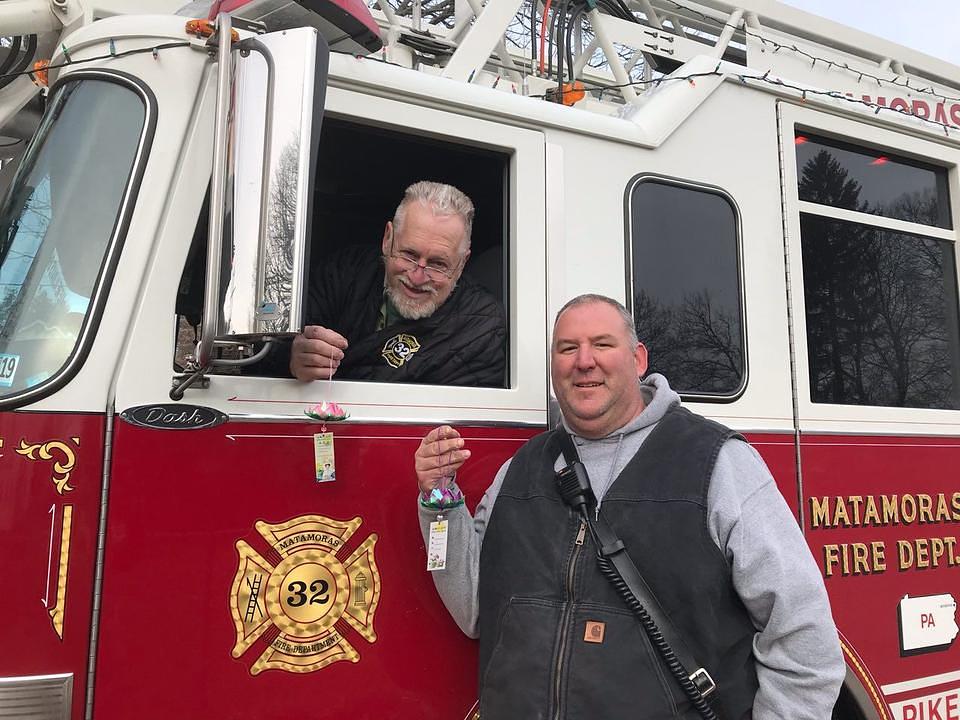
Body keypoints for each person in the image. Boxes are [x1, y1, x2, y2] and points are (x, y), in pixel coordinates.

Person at [413, 294, 845, 719]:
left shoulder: (717, 463)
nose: (584, 361)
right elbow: (473, 608)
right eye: (567, 348)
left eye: (602, 344)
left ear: (638, 359)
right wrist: (439, 501)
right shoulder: (519, 470)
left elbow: (802, 633)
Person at [285, 181, 505, 386]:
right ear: (387, 239)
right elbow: (274, 348)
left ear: (462, 262)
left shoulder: (482, 329)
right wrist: (292, 357)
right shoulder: (344, 271)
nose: (417, 277)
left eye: (438, 264)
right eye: (409, 255)